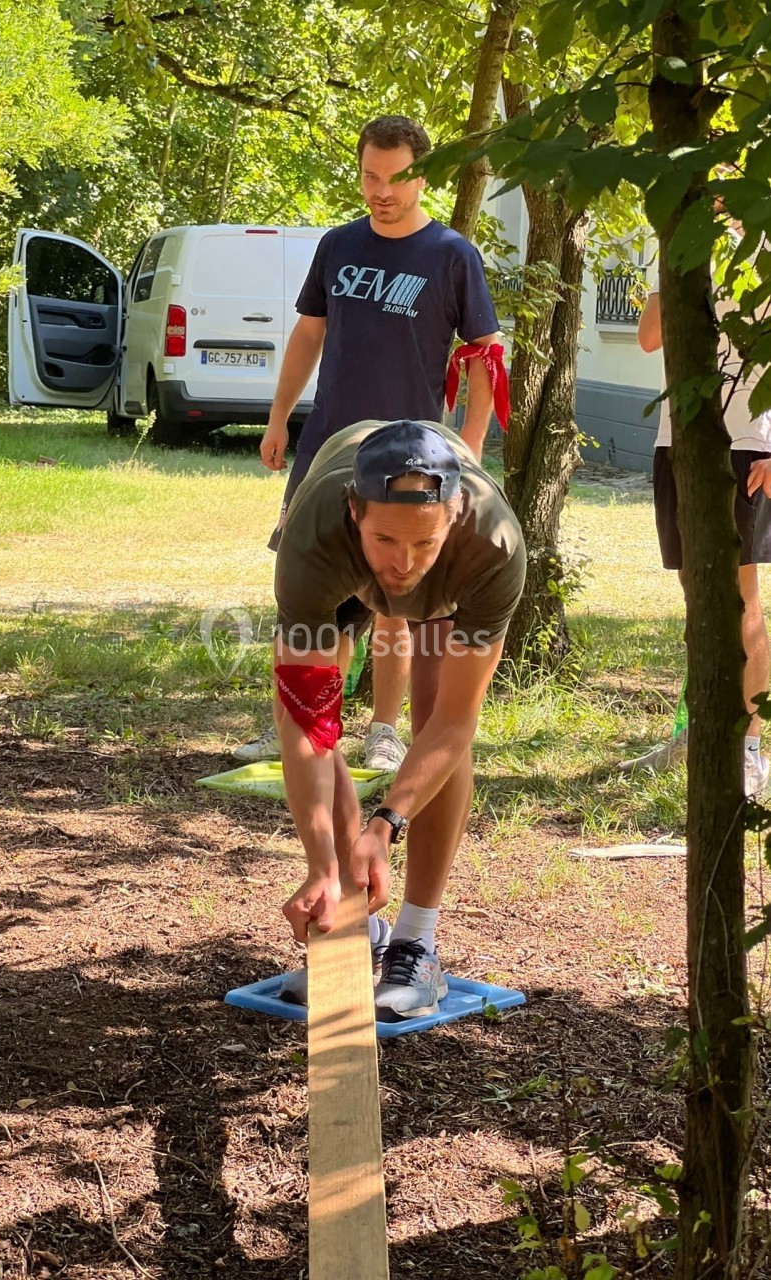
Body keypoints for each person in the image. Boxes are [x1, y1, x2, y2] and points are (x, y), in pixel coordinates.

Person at [233, 114, 503, 772]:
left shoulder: (451, 256)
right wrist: (277, 418)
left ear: (423, 177)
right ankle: (305, 723)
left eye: (396, 178)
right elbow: (307, 336)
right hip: (328, 452)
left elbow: (484, 360)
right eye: (369, 177)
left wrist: (465, 451)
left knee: (395, 600)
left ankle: (384, 731)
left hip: (413, 457)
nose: (381, 191)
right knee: (314, 591)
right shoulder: (338, 246)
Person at [272, 419, 525, 1019]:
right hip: (337, 553)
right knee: (318, 716)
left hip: (454, 594)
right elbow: (309, 720)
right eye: (386, 540)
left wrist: (386, 825)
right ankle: (349, 919)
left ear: (454, 515)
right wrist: (321, 863)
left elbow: (454, 723)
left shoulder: (491, 548)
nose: (404, 564)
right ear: (354, 510)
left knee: (435, 712)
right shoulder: (313, 541)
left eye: (423, 544)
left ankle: (417, 940)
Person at [619, 259, 771, 794]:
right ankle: (697, 732)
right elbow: (649, 337)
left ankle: (749, 749)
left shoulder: (763, 239)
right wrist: (677, 262)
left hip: (747, 443)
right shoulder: (684, 245)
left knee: (739, 595)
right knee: (697, 595)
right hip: (679, 438)